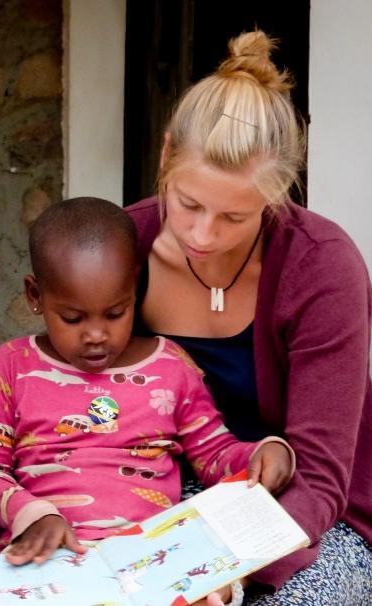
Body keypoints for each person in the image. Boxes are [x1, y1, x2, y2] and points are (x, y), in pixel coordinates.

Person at [126, 30, 372, 605]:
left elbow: (319, 478)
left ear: (277, 195)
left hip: (312, 518)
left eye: (234, 217)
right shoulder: (121, 245)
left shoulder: (322, 267)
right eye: (187, 204)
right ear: (165, 156)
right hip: (161, 499)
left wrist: (225, 572)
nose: (201, 234)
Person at [0, 197, 294, 602]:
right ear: (35, 295)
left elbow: (213, 452)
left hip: (151, 565)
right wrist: (32, 514)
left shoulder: (171, 367)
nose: (96, 335)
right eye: (73, 318)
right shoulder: (11, 367)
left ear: (134, 289)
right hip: (43, 567)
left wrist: (264, 454)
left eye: (115, 313)